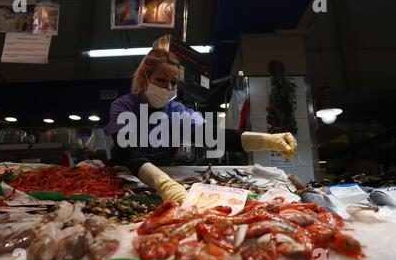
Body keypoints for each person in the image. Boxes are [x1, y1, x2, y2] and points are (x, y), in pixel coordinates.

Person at [105, 49, 297, 204]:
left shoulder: (177, 111)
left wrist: (266, 140)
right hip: (128, 178)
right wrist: (164, 185)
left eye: (173, 82)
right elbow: (127, 150)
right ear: (144, 78)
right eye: (161, 80)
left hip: (164, 174)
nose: (168, 88)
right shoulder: (123, 107)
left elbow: (213, 136)